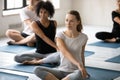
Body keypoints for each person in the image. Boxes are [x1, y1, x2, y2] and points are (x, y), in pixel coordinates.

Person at [34, 10, 89, 80]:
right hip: (61, 71)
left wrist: (83, 68)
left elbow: (81, 54)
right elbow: (64, 52)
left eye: (71, 21)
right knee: (37, 69)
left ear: (78, 22)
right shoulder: (60, 35)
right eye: (66, 20)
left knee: (79, 74)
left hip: (75, 72)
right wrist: (79, 64)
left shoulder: (84, 37)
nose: (68, 23)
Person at [14, 0, 59, 65]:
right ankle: (42, 60)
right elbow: (43, 37)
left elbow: (54, 37)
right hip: (39, 53)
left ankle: (38, 61)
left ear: (49, 13)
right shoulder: (34, 24)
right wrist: (57, 47)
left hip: (52, 53)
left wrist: (60, 48)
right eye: (41, 12)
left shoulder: (54, 23)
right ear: (38, 12)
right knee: (17, 57)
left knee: (59, 57)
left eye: (45, 12)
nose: (42, 15)